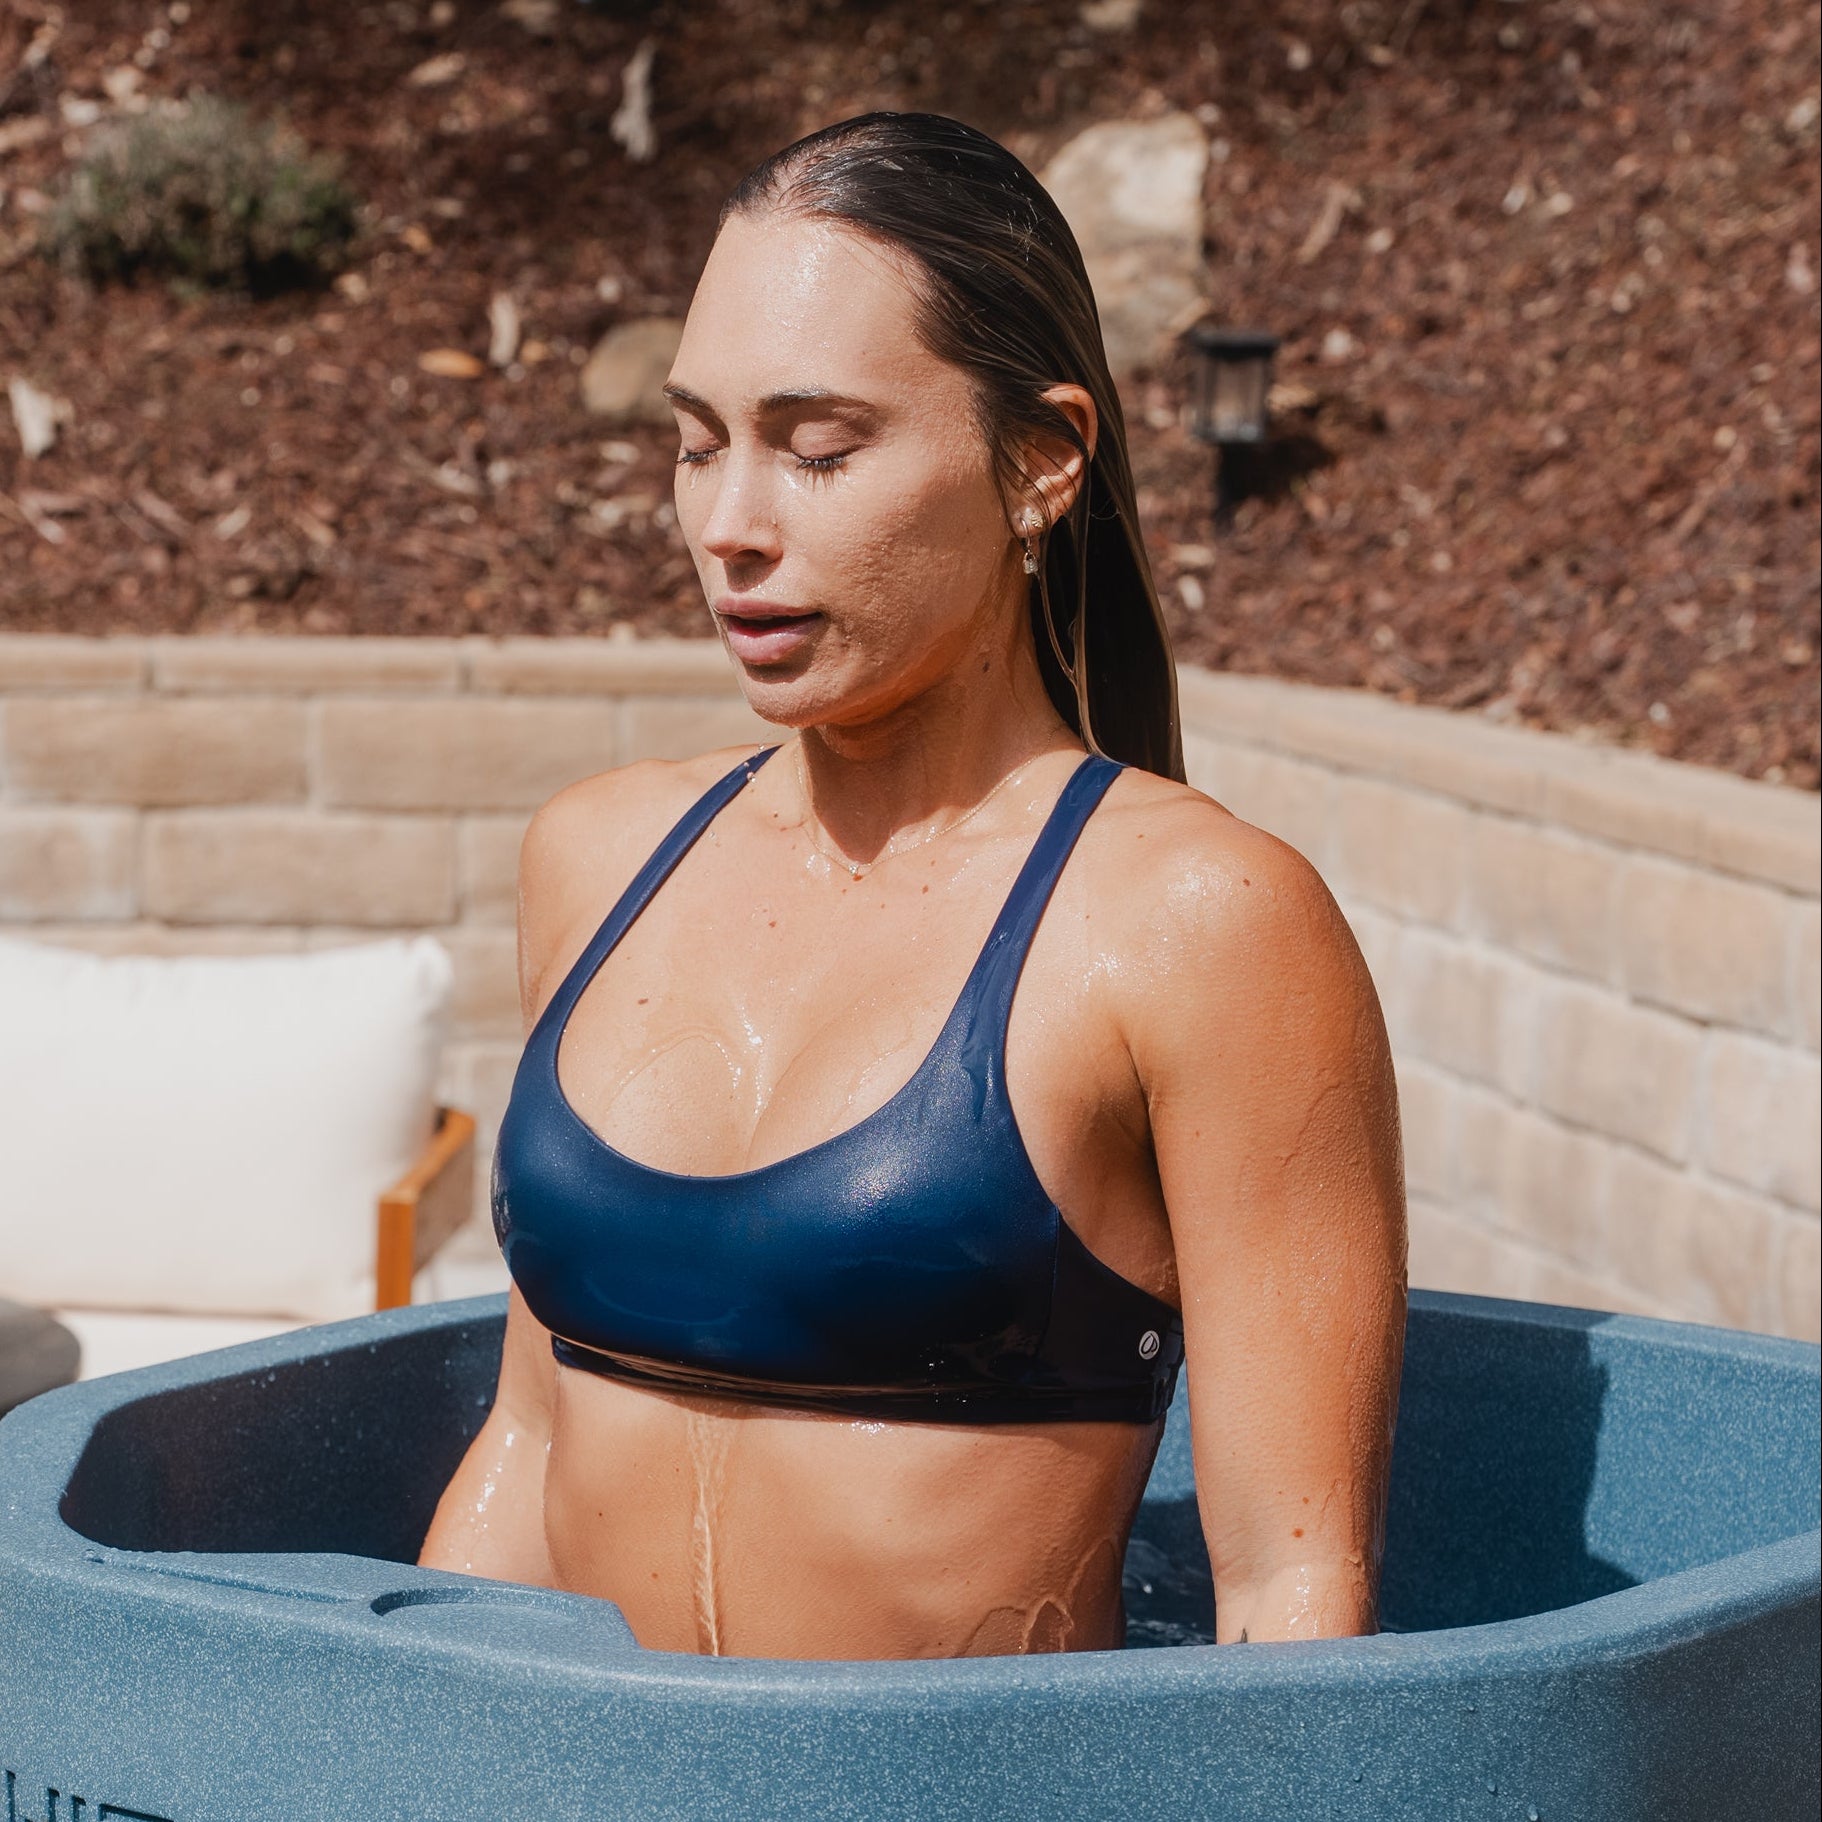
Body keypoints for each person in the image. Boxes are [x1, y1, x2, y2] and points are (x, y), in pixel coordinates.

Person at [419, 111, 1407, 1661]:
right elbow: (530, 1438)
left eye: (818, 449)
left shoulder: (1193, 924)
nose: (728, 526)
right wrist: (407, 1733)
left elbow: (1292, 1592)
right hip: (585, 1765)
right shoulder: (596, 857)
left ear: (1040, 461)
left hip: (982, 1772)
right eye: (697, 442)